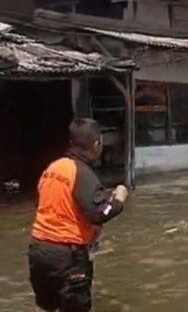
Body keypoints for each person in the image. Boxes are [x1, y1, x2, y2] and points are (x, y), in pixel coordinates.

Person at [28, 118, 128, 312]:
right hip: (67, 257)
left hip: (38, 251)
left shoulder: (53, 168)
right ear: (96, 144)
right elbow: (100, 214)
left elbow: (57, 207)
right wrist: (119, 199)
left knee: (46, 308)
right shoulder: (82, 173)